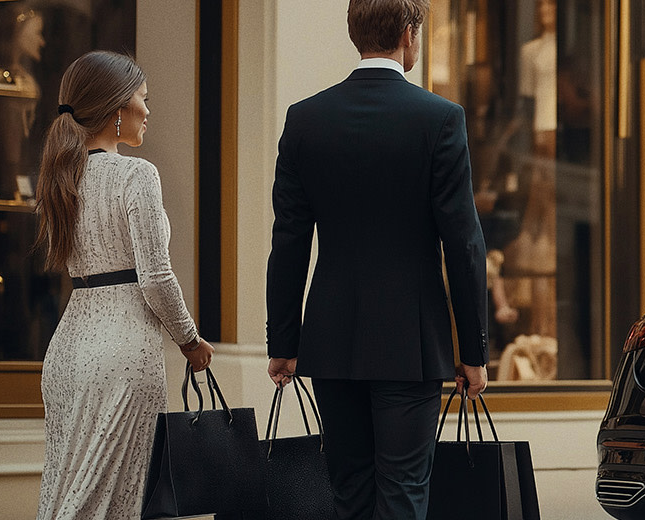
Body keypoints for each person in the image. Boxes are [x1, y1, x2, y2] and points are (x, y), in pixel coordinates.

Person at [264, 1, 489, 518]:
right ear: (409, 34)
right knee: (404, 491)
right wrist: (472, 350)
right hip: (411, 345)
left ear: (355, 33)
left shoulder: (305, 119)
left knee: (350, 495)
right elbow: (464, 243)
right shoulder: (440, 119)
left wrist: (283, 341)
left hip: (331, 338)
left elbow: (289, 241)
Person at [32, 50, 214, 520]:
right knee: (114, 506)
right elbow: (155, 278)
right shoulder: (137, 174)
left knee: (66, 498)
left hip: (68, 352)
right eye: (143, 100)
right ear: (117, 109)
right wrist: (190, 341)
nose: (149, 112)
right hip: (124, 354)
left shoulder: (61, 177)